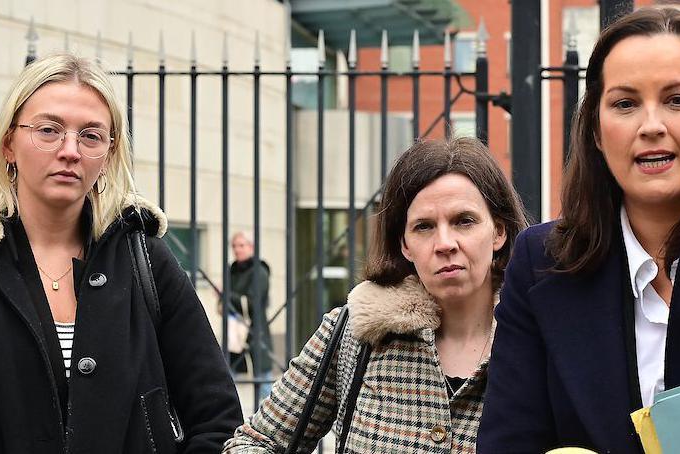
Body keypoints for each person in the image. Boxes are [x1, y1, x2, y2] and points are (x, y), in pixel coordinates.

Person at [477, 7, 680, 453]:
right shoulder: (540, 265)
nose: (652, 126)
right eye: (625, 103)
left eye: (677, 100)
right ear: (594, 129)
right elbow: (508, 442)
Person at [0, 53, 243, 453]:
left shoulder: (145, 257)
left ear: (107, 156)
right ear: (9, 144)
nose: (70, 150)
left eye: (91, 136)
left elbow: (218, 417)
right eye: (49, 130)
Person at [223, 137, 528, 453]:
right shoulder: (358, 329)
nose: (445, 243)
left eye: (464, 221)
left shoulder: (536, 338)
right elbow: (254, 442)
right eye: (424, 226)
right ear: (404, 244)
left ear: (498, 232)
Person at [228, 231, 273, 401]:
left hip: (256, 329)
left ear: (251, 247)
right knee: (229, 375)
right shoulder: (232, 270)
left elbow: (253, 303)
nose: (237, 250)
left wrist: (227, 295)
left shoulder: (259, 271)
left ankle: (270, 418)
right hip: (234, 330)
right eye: (234, 246)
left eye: (241, 245)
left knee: (263, 377)